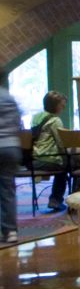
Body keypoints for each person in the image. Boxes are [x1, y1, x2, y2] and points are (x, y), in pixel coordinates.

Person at [31, 91, 79, 212]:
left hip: (35, 158)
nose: (63, 108)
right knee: (75, 166)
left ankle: (56, 200)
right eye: (62, 105)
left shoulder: (36, 117)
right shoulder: (55, 121)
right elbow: (62, 143)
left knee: (64, 167)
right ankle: (73, 202)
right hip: (49, 158)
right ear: (55, 105)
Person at [0, 72, 21, 244]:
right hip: (11, 147)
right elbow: (18, 124)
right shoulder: (9, 98)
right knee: (8, 189)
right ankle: (10, 231)